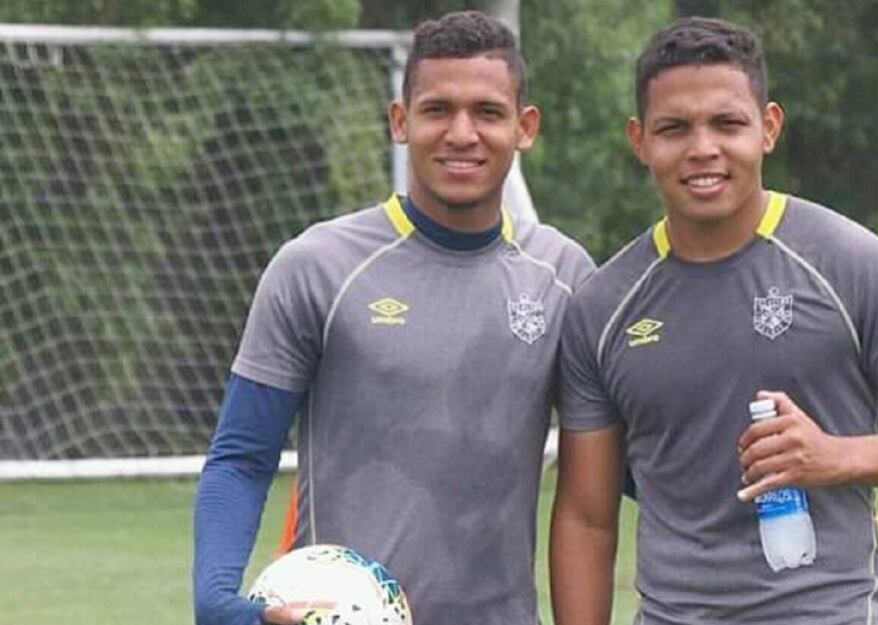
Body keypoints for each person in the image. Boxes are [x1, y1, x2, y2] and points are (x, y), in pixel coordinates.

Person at [550, 16, 878, 625]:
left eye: (727, 123)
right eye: (674, 128)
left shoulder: (851, 263)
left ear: (768, 127)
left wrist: (835, 456)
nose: (702, 148)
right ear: (639, 140)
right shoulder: (603, 307)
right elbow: (586, 518)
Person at [193, 11, 594, 625]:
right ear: (401, 121)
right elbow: (242, 455)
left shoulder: (564, 275)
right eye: (438, 110)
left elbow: (622, 467)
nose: (462, 133)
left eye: (487, 112)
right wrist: (217, 602)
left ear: (525, 127)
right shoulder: (317, 266)